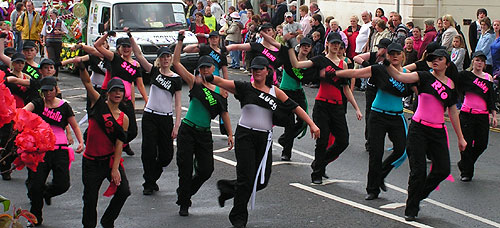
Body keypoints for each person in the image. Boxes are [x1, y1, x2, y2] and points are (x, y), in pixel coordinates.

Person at [211, 55, 319, 228]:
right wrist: (208, 74)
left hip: (264, 138)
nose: (257, 72)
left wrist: (312, 124)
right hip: (245, 136)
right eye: (254, 69)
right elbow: (221, 81)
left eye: (260, 69)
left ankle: (228, 188)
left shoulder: (275, 92)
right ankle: (238, 218)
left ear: (267, 71)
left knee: (261, 181)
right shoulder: (245, 88)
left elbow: (295, 107)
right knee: (246, 178)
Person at [385, 49, 467, 221]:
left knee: (443, 169)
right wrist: (387, 64)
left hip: (437, 131)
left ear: (447, 63)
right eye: (432, 59)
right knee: (418, 171)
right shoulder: (423, 76)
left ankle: (418, 195)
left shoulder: (451, 85)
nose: (435, 61)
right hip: (418, 129)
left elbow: (453, 112)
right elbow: (401, 77)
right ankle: (411, 209)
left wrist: (460, 138)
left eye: (439, 59)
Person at [336, 43, 411, 200]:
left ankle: (381, 174)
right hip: (378, 116)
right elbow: (357, 73)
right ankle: (372, 189)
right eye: (391, 54)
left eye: (398, 53)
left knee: (401, 150)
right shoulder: (379, 69)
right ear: (387, 56)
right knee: (375, 153)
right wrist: (336, 73)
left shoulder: (407, 74)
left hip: (396, 116)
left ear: (402, 55)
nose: (395, 56)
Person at [173, 30, 233, 217]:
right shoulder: (194, 83)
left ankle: (186, 192)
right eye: (202, 68)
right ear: (198, 70)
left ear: (212, 69)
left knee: (206, 170)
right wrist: (180, 41)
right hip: (188, 130)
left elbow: (224, 112)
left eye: (208, 68)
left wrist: (230, 134)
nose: (206, 71)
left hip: (204, 134)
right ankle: (184, 202)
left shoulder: (220, 90)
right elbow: (176, 63)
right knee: (185, 168)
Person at [289, 32, 363, 184]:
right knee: (322, 140)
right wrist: (289, 49)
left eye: (338, 44)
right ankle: (317, 173)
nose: (336, 46)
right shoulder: (320, 60)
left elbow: (346, 88)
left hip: (337, 107)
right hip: (322, 105)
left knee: (343, 141)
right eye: (333, 43)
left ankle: (319, 163)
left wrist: (356, 107)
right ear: (327, 44)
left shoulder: (344, 64)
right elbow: (297, 65)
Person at [21, 76, 84, 227]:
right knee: (36, 186)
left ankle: (47, 193)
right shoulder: (38, 103)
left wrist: (80, 142)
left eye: (51, 90)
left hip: (60, 149)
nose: (48, 93)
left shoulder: (64, 106)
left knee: (62, 184)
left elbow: (74, 125)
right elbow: (22, 113)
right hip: (40, 150)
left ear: (56, 89)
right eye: (45, 91)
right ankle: (35, 218)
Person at [76, 61, 131, 228]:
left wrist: (115, 169)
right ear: (108, 92)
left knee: (124, 191)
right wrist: (81, 67)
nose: (117, 93)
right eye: (114, 90)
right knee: (90, 198)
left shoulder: (124, 118)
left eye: (120, 91)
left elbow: (119, 145)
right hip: (91, 162)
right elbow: (87, 82)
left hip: (109, 161)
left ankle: (108, 221)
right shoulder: (97, 104)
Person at [129, 34, 183, 195]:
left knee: (166, 155)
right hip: (150, 116)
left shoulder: (177, 79)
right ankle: (149, 182)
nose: (165, 59)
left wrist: (177, 125)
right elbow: (138, 55)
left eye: (168, 56)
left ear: (171, 58)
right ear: (159, 59)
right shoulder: (153, 72)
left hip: (166, 118)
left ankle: (152, 177)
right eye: (163, 57)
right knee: (149, 151)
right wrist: (130, 36)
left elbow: (178, 104)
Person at [95, 32, 148, 156]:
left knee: (133, 130)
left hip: (126, 101)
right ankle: (112, 148)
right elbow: (97, 46)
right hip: (113, 100)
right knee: (109, 126)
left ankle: (121, 144)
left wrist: (147, 100)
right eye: (123, 46)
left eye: (128, 46)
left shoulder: (136, 65)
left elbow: (140, 85)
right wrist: (107, 34)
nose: (126, 49)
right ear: (119, 48)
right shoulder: (115, 58)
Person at [456, 51, 497, 182]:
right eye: (477, 60)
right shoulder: (466, 75)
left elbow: (491, 98)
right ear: (473, 61)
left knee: (482, 144)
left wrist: (494, 115)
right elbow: (454, 85)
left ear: (484, 64)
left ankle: (464, 164)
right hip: (467, 113)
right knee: (466, 144)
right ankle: (466, 173)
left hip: (482, 115)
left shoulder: (488, 78)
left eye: (482, 61)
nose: (479, 63)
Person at [277, 37, 316, 161]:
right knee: (289, 122)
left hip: (298, 93)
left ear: (310, 49)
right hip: (285, 92)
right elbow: (277, 45)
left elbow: (304, 78)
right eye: (303, 45)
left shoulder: (309, 64)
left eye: (308, 46)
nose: (305, 48)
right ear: (300, 46)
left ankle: (284, 140)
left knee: (303, 122)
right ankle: (286, 152)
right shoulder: (290, 57)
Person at [353, 38, 391, 151]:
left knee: (384, 114)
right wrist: (367, 65)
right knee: (370, 113)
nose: (378, 49)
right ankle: (369, 140)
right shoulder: (374, 55)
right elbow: (356, 57)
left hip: (383, 89)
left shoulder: (389, 59)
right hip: (372, 88)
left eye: (381, 48)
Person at [41, 9, 68, 77]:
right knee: (51, 58)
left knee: (57, 58)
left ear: (55, 14)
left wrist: (60, 32)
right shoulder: (47, 22)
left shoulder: (60, 22)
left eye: (51, 13)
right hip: (49, 42)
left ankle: (56, 74)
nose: (50, 15)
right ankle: (51, 74)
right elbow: (44, 33)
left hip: (57, 42)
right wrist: (44, 41)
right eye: (49, 13)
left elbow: (66, 31)